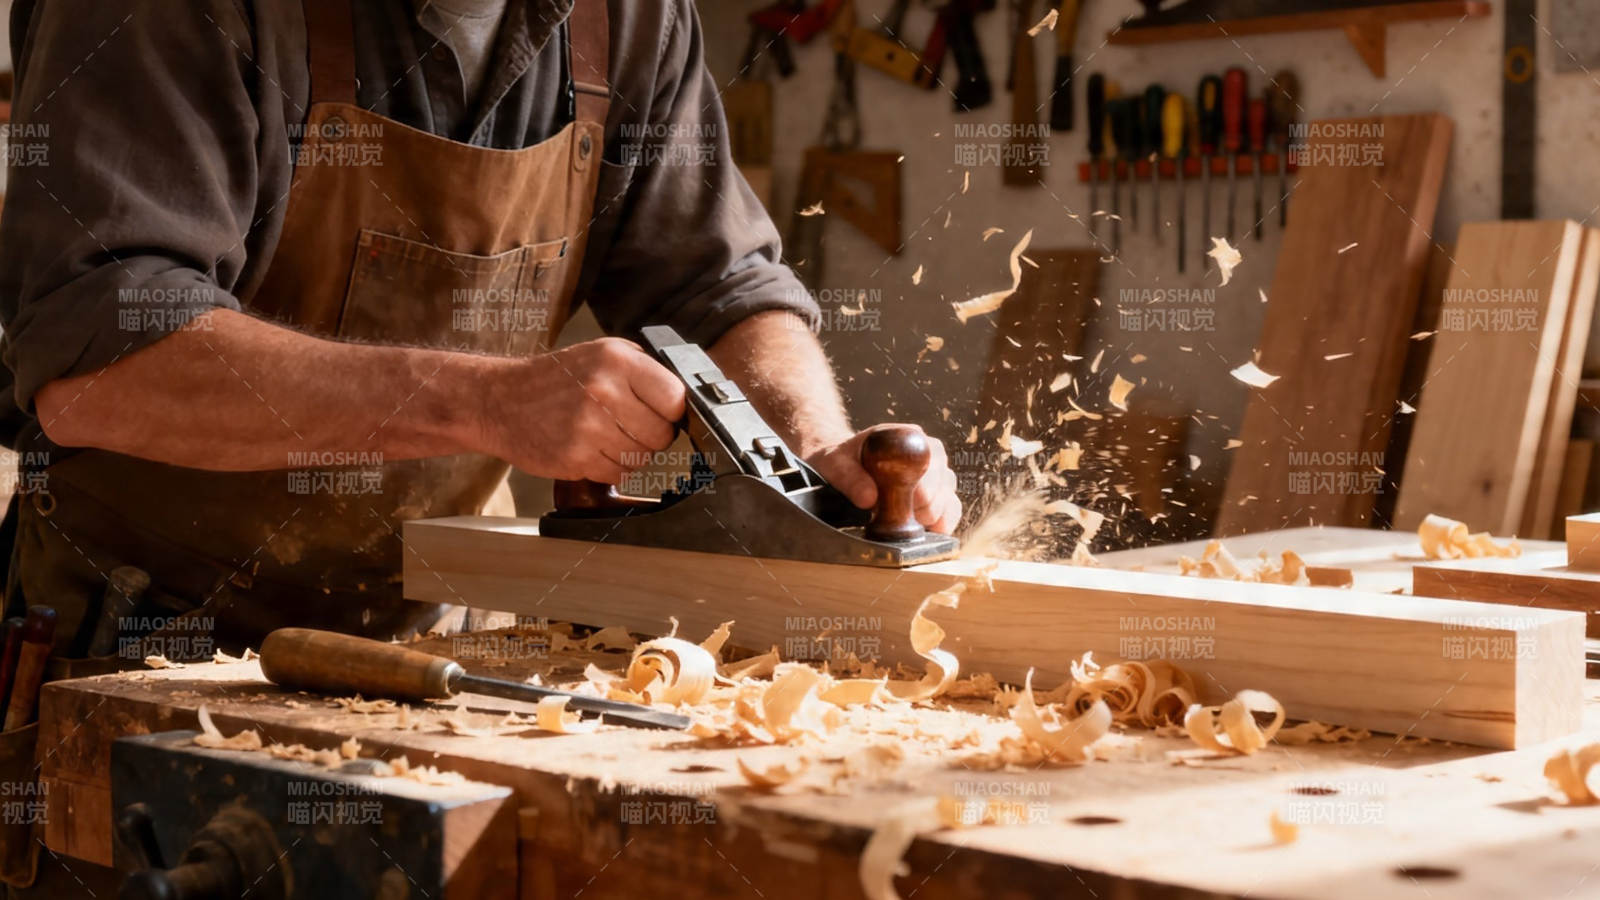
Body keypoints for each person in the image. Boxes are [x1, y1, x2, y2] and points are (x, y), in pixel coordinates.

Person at [0, 0, 962, 657]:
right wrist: (484, 401)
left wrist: (814, 453)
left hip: (433, 653)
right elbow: (98, 360)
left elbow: (719, 283)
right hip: (141, 650)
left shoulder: (617, 19)